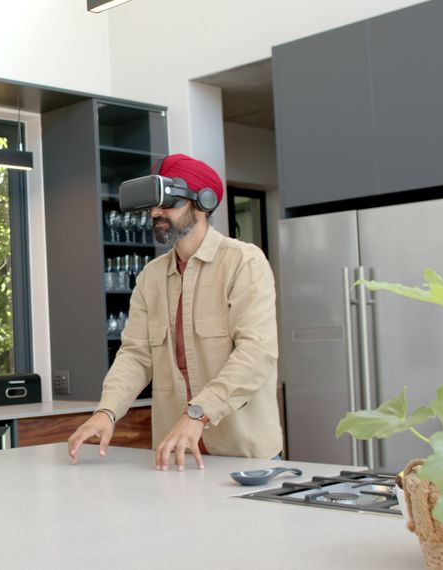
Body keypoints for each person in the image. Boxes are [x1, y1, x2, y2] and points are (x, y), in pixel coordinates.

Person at [67, 154, 282, 471]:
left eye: (168, 203)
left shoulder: (244, 262)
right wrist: (107, 411)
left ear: (202, 203)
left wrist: (198, 413)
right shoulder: (151, 277)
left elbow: (256, 353)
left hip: (243, 455)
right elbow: (136, 355)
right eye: (153, 206)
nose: (156, 213)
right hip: (177, 455)